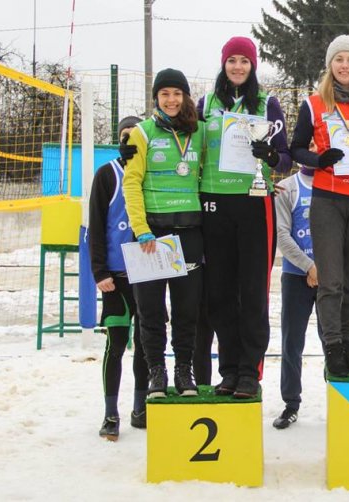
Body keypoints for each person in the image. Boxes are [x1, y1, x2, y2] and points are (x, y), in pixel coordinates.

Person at [198, 37, 292, 398]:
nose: (238, 67)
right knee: (219, 293)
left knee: (252, 291)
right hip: (214, 204)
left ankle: (250, 370)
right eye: (232, 60)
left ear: (253, 66)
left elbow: (285, 159)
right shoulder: (205, 103)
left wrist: (269, 156)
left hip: (255, 203)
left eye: (244, 61)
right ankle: (228, 370)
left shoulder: (267, 103)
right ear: (223, 63)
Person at [290, 35, 349, 377]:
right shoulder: (313, 104)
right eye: (339, 59)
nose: (345, 65)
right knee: (331, 282)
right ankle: (333, 349)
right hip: (327, 199)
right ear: (330, 65)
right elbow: (296, 148)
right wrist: (318, 159)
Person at [122, 68, 204, 399]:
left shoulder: (196, 132)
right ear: (156, 97)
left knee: (187, 311)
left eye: (177, 93)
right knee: (151, 312)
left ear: (185, 97)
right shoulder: (142, 133)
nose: (171, 100)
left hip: (189, 234)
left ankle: (185, 370)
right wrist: (141, 229)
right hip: (152, 237)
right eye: (164, 94)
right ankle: (157, 371)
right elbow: (131, 182)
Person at [90, 116, 149, 440]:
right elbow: (95, 229)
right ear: (119, 140)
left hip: (145, 272)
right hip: (115, 275)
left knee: (146, 343)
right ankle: (110, 413)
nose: (130, 142)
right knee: (117, 343)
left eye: (135, 137)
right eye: (125, 137)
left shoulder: (150, 173)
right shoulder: (107, 174)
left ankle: (140, 408)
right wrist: (99, 272)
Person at [273, 161, 322, 428]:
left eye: (318, 145)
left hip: (328, 276)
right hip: (296, 275)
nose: (313, 151)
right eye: (309, 145)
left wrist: (324, 268)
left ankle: (341, 401)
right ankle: (291, 402)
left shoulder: (333, 184)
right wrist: (309, 266)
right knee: (292, 341)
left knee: (333, 342)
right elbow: (282, 235)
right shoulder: (287, 188)